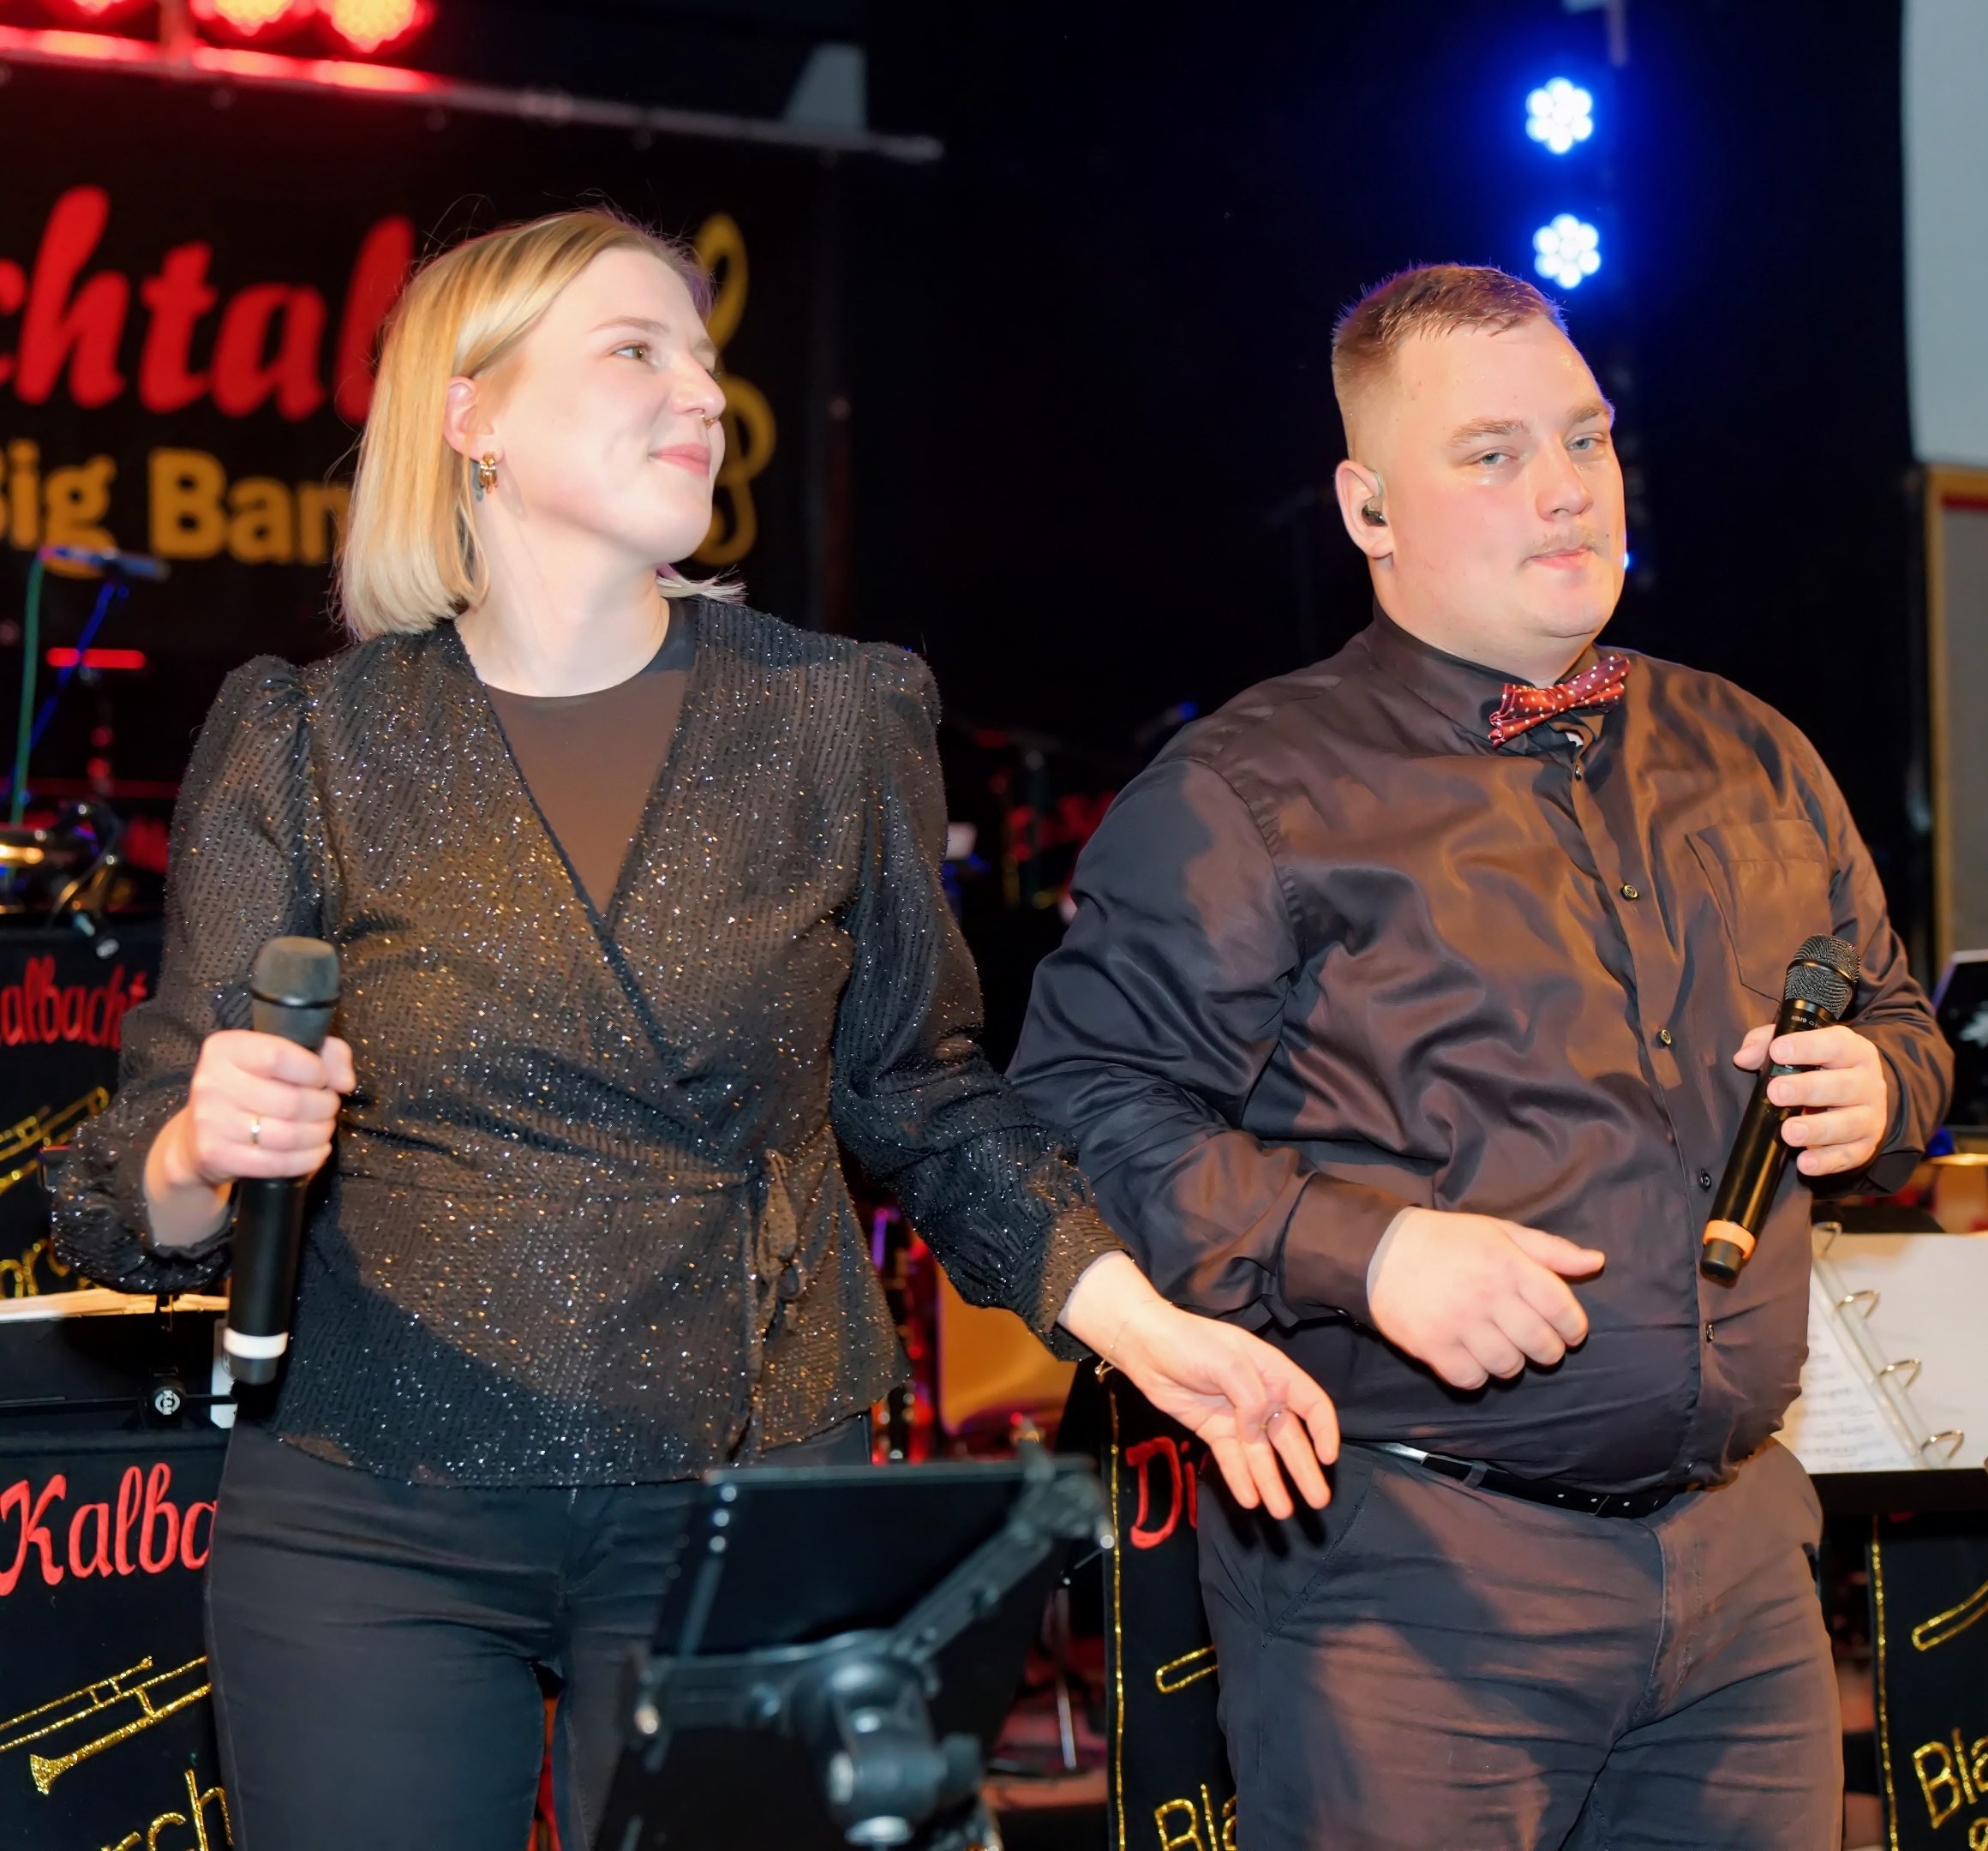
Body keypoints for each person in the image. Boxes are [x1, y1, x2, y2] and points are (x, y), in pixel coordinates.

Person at [51, 210, 1338, 1851]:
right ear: (472, 413)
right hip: (375, 1507)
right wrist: (197, 1150)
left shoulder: (836, 712)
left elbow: (924, 1099)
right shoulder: (307, 737)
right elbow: (124, 1197)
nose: (704, 396)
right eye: (635, 350)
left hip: (749, 1487)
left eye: (709, 362)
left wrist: (1141, 1324)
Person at [1010, 264, 1953, 1848]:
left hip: (1743, 1571)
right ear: (1368, 509)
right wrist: (1367, 1253)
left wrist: (1886, 1087)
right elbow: (1077, 1112)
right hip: (1408, 1591)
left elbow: (1900, 1019)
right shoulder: (1246, 793)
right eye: (1494, 454)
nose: (1567, 488)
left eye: (1585, 438)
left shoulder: (1757, 751)